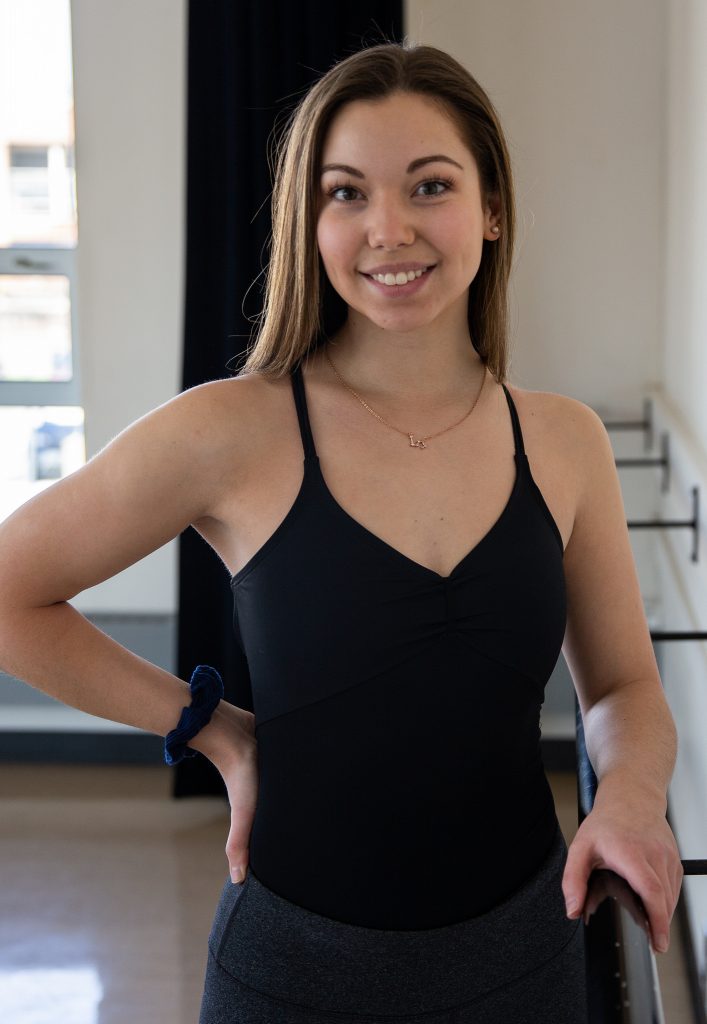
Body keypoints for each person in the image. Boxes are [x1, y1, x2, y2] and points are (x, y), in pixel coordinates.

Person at [0, 40, 683, 1023]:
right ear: (307, 221)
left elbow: (620, 687)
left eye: (428, 185)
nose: (387, 228)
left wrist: (625, 793)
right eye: (345, 193)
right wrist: (211, 729)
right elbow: (13, 591)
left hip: (525, 960)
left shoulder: (562, 441)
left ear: (490, 209)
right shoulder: (230, 429)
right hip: (294, 977)